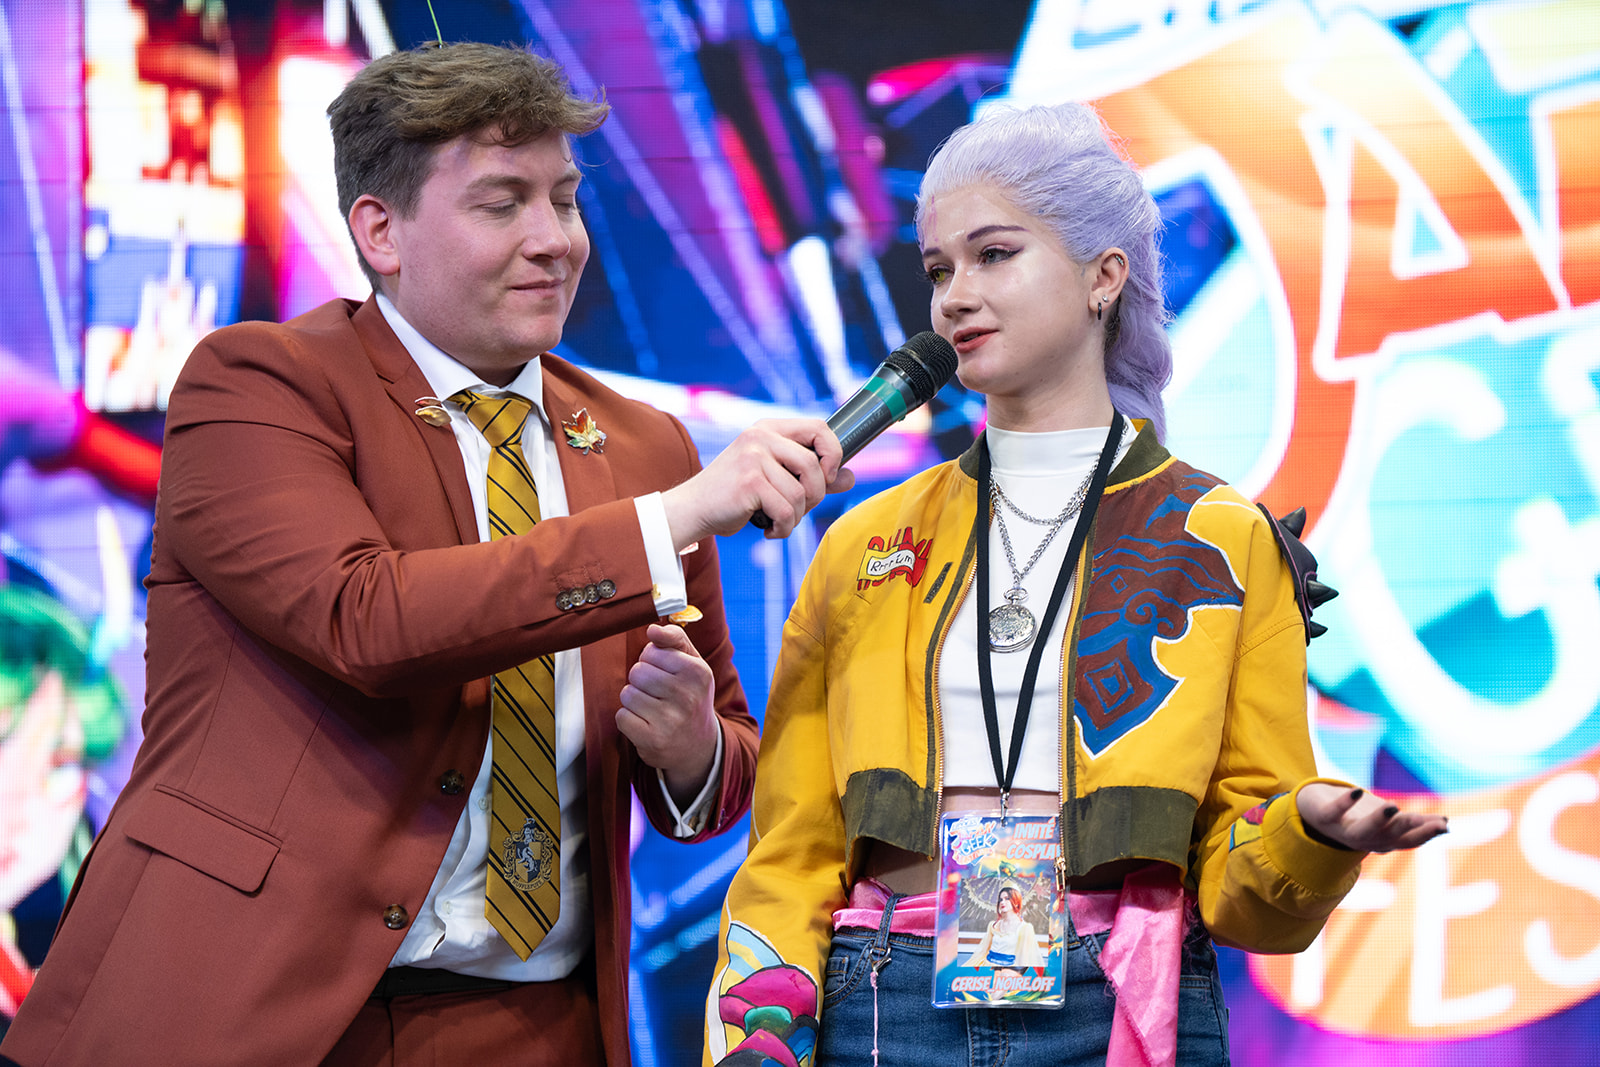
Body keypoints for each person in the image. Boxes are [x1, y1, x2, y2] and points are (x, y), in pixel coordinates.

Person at [1, 42, 849, 1067]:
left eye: (565, 199)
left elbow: (724, 770)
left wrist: (691, 747)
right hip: (254, 1009)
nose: (554, 240)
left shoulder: (642, 447)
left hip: (539, 1023)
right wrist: (671, 516)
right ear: (380, 230)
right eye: (502, 203)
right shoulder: (259, 384)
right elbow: (371, 621)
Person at [705, 102, 1446, 1067]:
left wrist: (1306, 834)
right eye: (938, 270)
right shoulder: (866, 543)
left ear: (1105, 276)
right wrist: (755, 1034)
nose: (954, 297)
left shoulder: (1219, 538)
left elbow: (1247, 896)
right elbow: (792, 845)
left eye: (994, 254)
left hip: (1121, 994)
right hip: (883, 996)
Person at [966, 885, 1044, 972]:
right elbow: (982, 951)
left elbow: (1022, 960)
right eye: (1001, 899)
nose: (1002, 902)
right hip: (987, 966)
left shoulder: (1025, 928)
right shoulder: (993, 925)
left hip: (1008, 969)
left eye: (1007, 899)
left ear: (1016, 901)